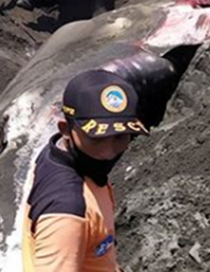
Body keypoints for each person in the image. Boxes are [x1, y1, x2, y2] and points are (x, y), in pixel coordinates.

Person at [22, 70, 149, 271]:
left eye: (120, 137)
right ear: (65, 129)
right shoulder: (67, 212)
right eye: (96, 139)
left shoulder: (57, 153)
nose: (108, 152)